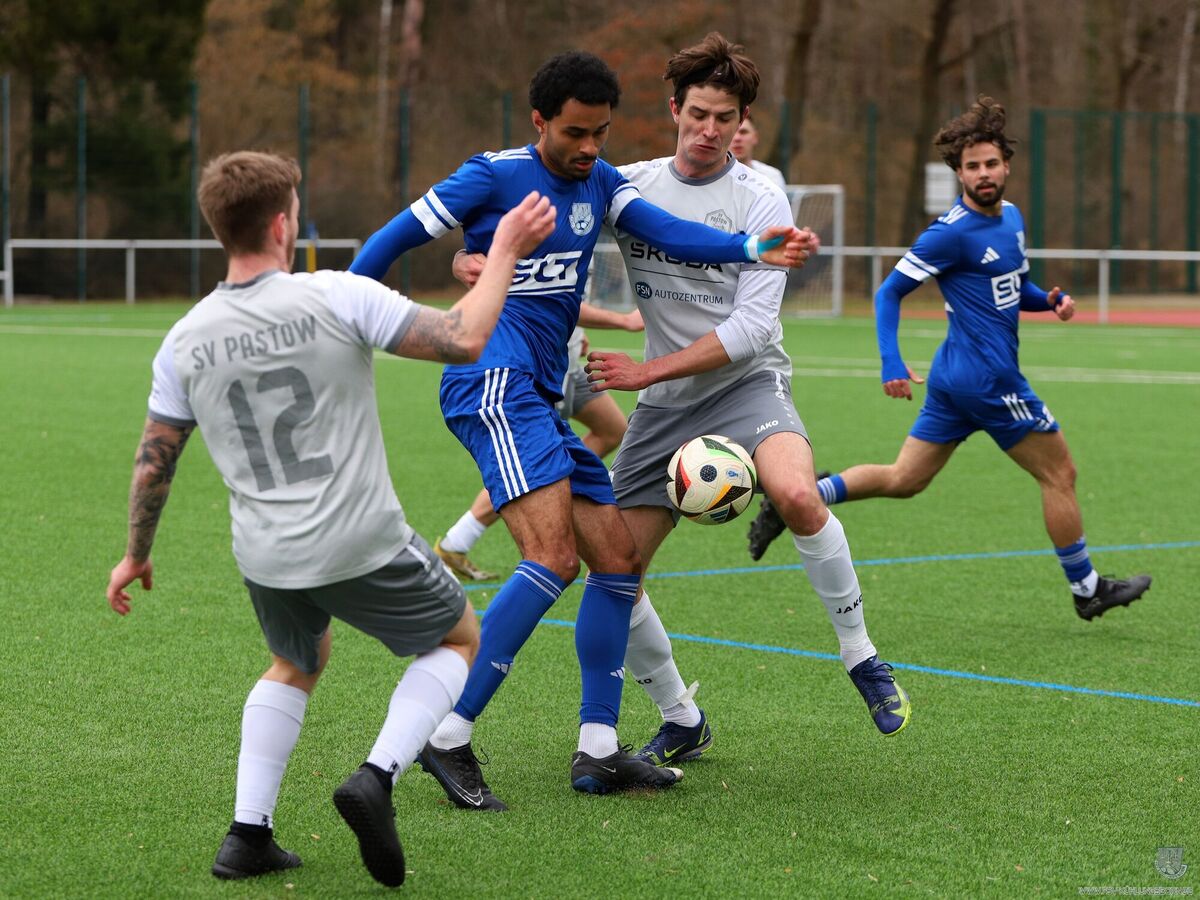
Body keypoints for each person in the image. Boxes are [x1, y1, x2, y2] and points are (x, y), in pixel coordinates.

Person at [348, 49, 814, 808]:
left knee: (619, 560)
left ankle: (598, 750)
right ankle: (448, 734)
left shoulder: (600, 181)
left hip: (541, 395)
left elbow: (670, 232)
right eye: (575, 133)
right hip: (491, 385)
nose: (590, 147)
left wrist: (747, 246)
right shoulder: (491, 175)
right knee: (553, 556)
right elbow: (387, 243)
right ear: (540, 121)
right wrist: (342, 324)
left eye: (601, 132)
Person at [104, 151, 555, 885]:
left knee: (298, 662)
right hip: (360, 539)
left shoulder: (184, 338)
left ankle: (248, 834)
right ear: (283, 225)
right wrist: (504, 249)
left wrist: (135, 553)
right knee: (458, 639)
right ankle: (377, 776)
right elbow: (463, 338)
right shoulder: (336, 295)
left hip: (266, 555)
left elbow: (154, 462)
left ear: (219, 229)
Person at [578, 32, 911, 764]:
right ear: (673, 109)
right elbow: (548, 215)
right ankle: (681, 717)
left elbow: (752, 330)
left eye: (724, 119)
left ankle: (861, 657)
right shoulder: (628, 185)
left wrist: (644, 372)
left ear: (742, 122)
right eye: (697, 114)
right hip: (665, 407)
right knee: (614, 570)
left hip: (745, 385)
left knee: (796, 494)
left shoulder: (761, 200)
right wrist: (480, 252)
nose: (708, 130)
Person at [745, 96, 1152, 619]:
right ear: (959, 172)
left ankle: (799, 495)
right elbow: (888, 292)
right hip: (990, 381)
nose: (983, 174)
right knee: (1060, 474)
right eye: (972, 166)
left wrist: (1049, 301)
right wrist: (891, 362)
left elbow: (1013, 288)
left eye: (990, 163)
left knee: (904, 479)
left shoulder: (1012, 218)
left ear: (1006, 165)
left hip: (955, 379)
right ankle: (1087, 588)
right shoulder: (950, 232)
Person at [436, 307, 643, 582]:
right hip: (539, 364)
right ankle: (457, 541)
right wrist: (624, 320)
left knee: (612, 429)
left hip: (569, 361)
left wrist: (573, 328)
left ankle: (554, 482)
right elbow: (544, 294)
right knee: (532, 462)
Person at [730, 113, 787, 191]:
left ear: (755, 137)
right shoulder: (714, 177)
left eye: (743, 132)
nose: (737, 138)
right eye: (732, 132)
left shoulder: (772, 177)